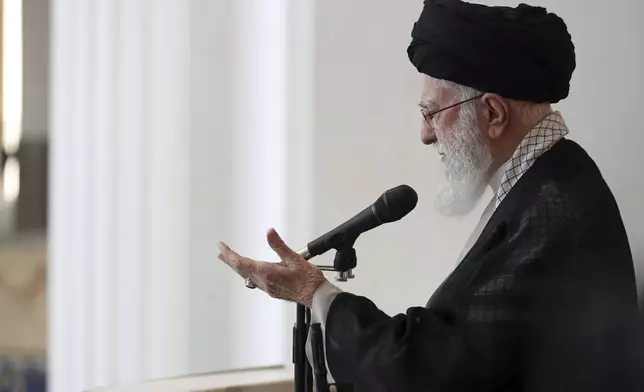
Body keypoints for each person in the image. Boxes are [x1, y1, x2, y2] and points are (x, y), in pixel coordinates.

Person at [217, 1, 643, 391]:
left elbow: (439, 370)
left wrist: (316, 294)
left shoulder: (554, 208)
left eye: (431, 113)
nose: (425, 135)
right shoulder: (548, 181)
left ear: (493, 113)